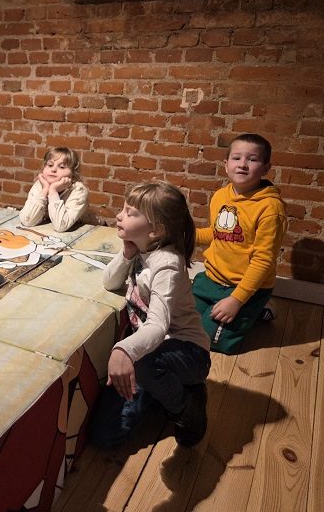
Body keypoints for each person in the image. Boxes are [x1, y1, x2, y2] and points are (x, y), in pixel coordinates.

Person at [88, 183, 211, 448]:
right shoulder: (141, 247)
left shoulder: (167, 264)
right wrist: (126, 253)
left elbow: (158, 325)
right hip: (149, 355)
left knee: (144, 363)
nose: (119, 216)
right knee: (105, 437)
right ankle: (162, 391)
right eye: (123, 210)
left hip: (188, 353)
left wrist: (124, 350)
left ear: (156, 230)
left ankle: (187, 406)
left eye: (130, 213)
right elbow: (109, 282)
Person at [193, 133, 288, 355]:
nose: (243, 164)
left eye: (252, 159)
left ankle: (259, 308)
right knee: (181, 325)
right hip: (211, 279)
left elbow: (263, 261)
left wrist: (236, 300)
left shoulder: (270, 209)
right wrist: (185, 235)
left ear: (265, 168)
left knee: (207, 340)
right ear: (226, 164)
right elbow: (217, 233)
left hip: (243, 288)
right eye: (236, 158)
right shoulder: (220, 196)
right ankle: (250, 310)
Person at [19, 147, 89, 232]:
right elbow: (27, 221)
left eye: (62, 167)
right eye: (50, 165)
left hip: (85, 231)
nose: (53, 169)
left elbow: (60, 226)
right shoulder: (40, 184)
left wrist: (53, 191)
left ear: (73, 173)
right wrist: (45, 190)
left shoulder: (78, 190)